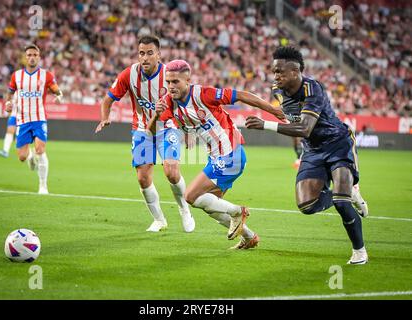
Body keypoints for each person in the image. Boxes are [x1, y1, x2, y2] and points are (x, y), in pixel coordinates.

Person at [245, 46, 369, 264]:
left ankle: (360, 251)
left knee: (341, 203)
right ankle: (349, 192)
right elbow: (294, 119)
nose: (276, 76)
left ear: (295, 72)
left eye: (280, 71)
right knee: (307, 205)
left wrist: (266, 125)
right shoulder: (277, 89)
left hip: (337, 144)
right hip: (312, 149)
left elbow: (305, 128)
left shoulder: (313, 89)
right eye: (274, 71)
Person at [150, 59, 285, 249]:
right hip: (217, 158)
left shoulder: (204, 94)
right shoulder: (167, 103)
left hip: (231, 154)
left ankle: (239, 211)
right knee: (210, 206)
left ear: (187, 80)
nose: (171, 86)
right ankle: (249, 237)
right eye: (168, 82)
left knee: (190, 196)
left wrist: (272, 110)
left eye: (176, 82)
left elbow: (241, 95)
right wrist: (157, 115)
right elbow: (151, 132)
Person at [95, 35, 195, 233]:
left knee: (171, 172)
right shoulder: (129, 74)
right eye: (142, 53)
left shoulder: (170, 75)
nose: (145, 58)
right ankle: (159, 220)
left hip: (168, 127)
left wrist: (190, 129)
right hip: (142, 129)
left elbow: (186, 102)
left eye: (150, 53)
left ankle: (184, 209)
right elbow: (106, 100)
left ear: (158, 55)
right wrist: (104, 117)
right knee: (142, 178)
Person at [5, 44, 63, 194]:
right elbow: (9, 93)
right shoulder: (16, 76)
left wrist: (59, 98)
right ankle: (30, 157)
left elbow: (58, 92)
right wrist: (8, 103)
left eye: (35, 55)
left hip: (39, 118)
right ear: (25, 57)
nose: (32, 57)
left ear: (39, 57)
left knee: (40, 149)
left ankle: (43, 185)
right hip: (22, 120)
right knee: (22, 157)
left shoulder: (46, 75)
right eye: (29, 55)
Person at [0, 92, 17, 158]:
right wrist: (8, 104)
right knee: (9, 132)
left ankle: (27, 154)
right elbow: (9, 98)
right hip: (14, 115)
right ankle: (5, 151)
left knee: (20, 135)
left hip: (23, 116)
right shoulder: (14, 89)